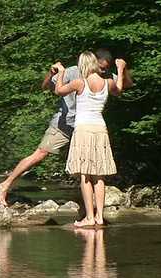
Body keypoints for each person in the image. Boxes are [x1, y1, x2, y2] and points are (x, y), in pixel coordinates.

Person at [0, 49, 133, 206]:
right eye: (101, 67)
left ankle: (88, 210)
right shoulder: (73, 72)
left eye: (106, 68)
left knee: (88, 170)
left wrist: (123, 69)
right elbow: (46, 86)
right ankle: (5, 185)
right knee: (40, 154)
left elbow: (126, 84)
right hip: (64, 124)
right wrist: (51, 72)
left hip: (87, 128)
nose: (104, 71)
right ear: (93, 62)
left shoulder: (107, 76)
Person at [54, 51, 126, 227]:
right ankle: (100, 216)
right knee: (99, 175)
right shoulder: (108, 83)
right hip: (100, 129)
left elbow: (59, 91)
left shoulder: (80, 82)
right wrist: (120, 70)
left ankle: (89, 217)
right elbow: (119, 90)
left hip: (83, 129)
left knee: (85, 175)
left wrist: (61, 72)